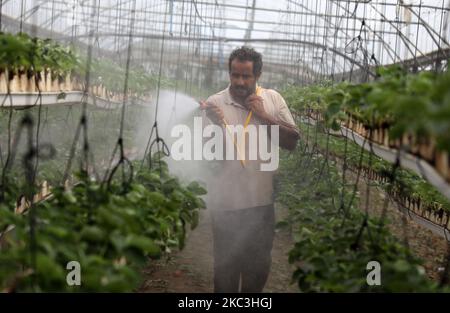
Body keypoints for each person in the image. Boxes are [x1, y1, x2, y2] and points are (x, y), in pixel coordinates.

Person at [199, 46, 299, 293]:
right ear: (229, 73)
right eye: (235, 75)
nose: (240, 82)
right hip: (226, 205)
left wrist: (264, 116)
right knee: (225, 271)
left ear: (258, 75)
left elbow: (292, 142)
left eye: (246, 76)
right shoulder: (215, 104)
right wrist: (216, 126)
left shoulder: (273, 100)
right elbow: (209, 158)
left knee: (257, 270)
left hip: (261, 204)